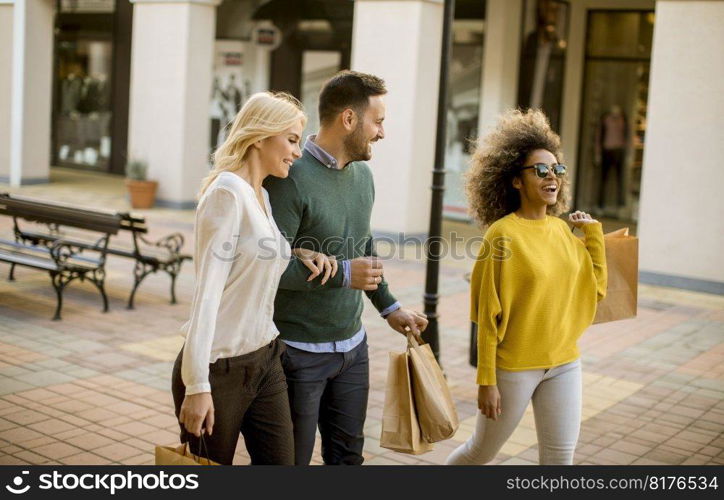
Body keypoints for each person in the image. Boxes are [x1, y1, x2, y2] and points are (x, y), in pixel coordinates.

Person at [264, 70, 429, 465]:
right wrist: (341, 273)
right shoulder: (289, 177)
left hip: (353, 348)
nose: (382, 133)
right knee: (291, 463)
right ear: (349, 120)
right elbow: (268, 267)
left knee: (347, 459)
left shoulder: (363, 176)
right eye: (379, 121)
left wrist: (390, 308)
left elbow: (363, 247)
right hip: (297, 353)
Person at [446, 109, 607, 465]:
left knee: (559, 458)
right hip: (515, 368)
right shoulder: (501, 235)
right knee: (479, 452)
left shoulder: (563, 231)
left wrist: (593, 236)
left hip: (565, 362)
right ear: (516, 181)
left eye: (557, 169)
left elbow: (594, 290)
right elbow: (486, 316)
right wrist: (486, 381)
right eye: (541, 170)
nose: (552, 177)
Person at [172, 92, 319, 465]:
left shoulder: (262, 196)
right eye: (291, 140)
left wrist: (300, 252)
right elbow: (207, 294)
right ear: (259, 136)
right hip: (218, 369)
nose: (297, 152)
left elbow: (261, 251)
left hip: (265, 358)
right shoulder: (226, 193)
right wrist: (197, 386)